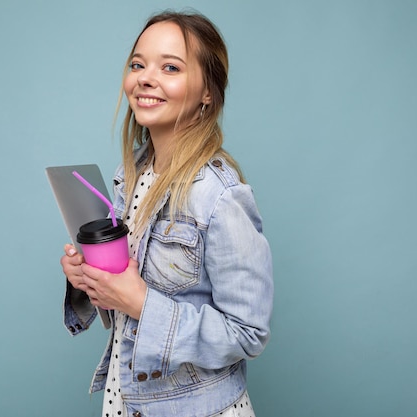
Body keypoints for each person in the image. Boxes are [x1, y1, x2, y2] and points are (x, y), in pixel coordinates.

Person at [60, 10, 273, 417]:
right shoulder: (129, 177)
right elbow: (125, 294)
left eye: (170, 67)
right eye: (137, 64)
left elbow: (249, 333)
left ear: (207, 92)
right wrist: (89, 279)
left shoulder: (219, 195)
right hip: (127, 401)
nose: (144, 77)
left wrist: (143, 303)